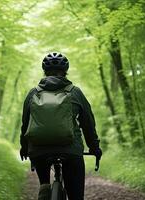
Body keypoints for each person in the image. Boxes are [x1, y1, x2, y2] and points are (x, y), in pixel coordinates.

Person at [20, 52, 102, 200]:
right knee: (76, 196)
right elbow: (88, 123)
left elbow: (25, 124)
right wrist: (94, 147)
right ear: (65, 72)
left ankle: (45, 187)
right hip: (71, 150)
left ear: (44, 72)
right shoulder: (75, 92)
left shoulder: (33, 93)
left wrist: (25, 147)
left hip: (39, 150)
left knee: (42, 173)